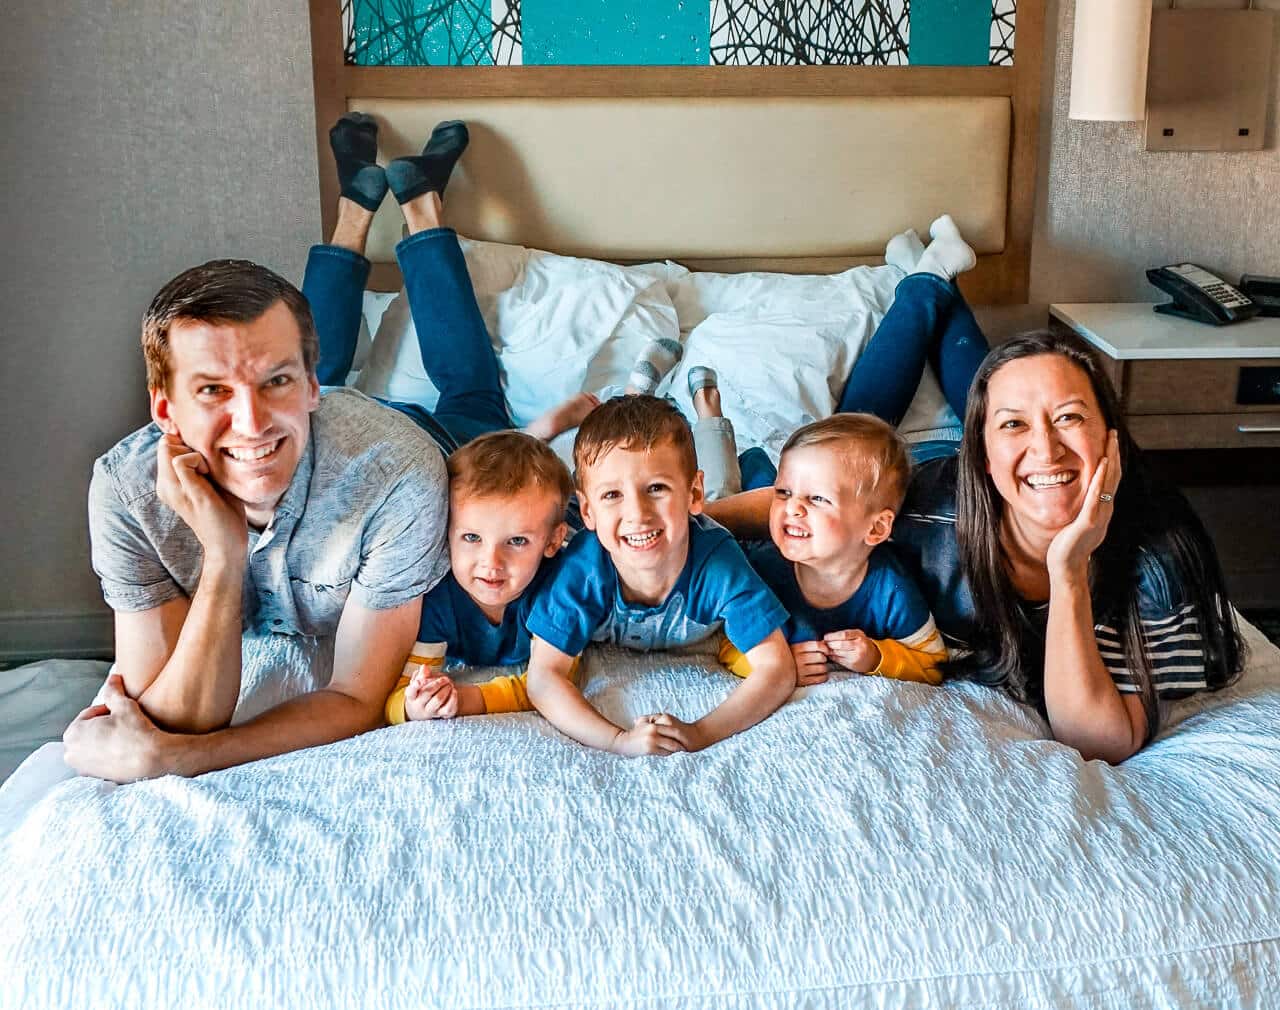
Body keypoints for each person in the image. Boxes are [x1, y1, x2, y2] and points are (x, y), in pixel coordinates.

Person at [706, 267, 1245, 761]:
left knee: (999, 389)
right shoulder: (932, 513)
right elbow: (807, 503)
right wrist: (691, 522)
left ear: (1110, 439)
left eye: (1070, 417)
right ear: (981, 456)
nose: (1047, 448)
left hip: (990, 478)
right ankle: (926, 283)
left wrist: (1070, 571)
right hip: (940, 467)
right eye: (1012, 427)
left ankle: (938, 292)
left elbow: (1097, 739)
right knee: (851, 448)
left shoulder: (1158, 563)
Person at [66, 258, 451, 783]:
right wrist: (224, 557)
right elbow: (174, 718)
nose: (250, 424)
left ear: (312, 387)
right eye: (212, 390)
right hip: (332, 427)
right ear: (165, 411)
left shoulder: (399, 474)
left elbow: (357, 696)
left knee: (473, 397)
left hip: (447, 435)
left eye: (277, 380)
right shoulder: (126, 493)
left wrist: (181, 759)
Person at [301, 113, 599, 454]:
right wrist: (540, 432)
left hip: (371, 455)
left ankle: (382, 208)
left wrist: (538, 434)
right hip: (435, 452)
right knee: (308, 388)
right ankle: (392, 207)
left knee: (306, 395)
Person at [524, 395, 798, 757]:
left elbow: (777, 668)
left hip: (705, 518)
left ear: (691, 493)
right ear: (589, 511)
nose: (637, 513)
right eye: (612, 495)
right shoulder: (582, 569)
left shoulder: (717, 563)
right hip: (577, 515)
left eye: (656, 488)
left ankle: (710, 417)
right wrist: (617, 740)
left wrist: (700, 733)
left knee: (738, 493)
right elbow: (543, 678)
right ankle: (629, 397)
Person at [729, 414, 947, 687]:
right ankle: (753, 459)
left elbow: (934, 663)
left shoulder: (893, 589)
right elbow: (729, 644)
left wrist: (876, 657)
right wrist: (774, 663)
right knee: (753, 479)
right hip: (755, 541)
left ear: (876, 529)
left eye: (818, 498)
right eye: (783, 492)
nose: (793, 506)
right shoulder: (761, 570)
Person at [383, 430, 579, 722]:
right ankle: (539, 429)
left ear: (552, 542)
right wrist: (414, 705)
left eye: (516, 541)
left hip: (571, 521)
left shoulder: (561, 588)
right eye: (472, 537)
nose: (491, 562)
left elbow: (554, 684)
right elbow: (395, 692)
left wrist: (469, 698)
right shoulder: (433, 593)